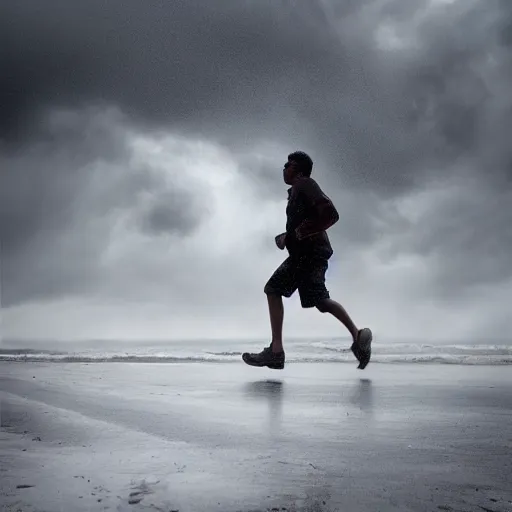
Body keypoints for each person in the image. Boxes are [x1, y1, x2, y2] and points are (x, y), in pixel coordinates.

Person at [242, 151, 372, 370]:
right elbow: (307, 222)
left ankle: (276, 352)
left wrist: (300, 233)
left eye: (288, 164)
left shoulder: (305, 184)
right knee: (320, 301)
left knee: (272, 289)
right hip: (312, 254)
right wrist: (288, 237)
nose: (284, 168)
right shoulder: (296, 190)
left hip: (307, 254)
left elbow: (330, 214)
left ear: (299, 170)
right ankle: (358, 336)